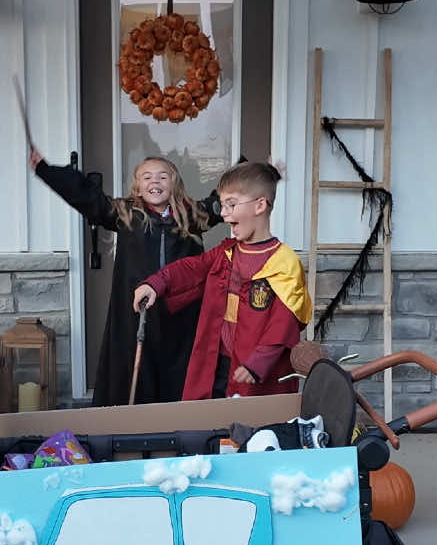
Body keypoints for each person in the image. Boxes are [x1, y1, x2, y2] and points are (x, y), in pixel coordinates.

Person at [30, 150, 220, 406]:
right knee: (137, 369)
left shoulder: (192, 215)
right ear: (138, 188)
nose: (155, 182)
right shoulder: (126, 214)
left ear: (175, 184)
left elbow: (229, 198)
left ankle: (178, 424)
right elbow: (87, 197)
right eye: (147, 177)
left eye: (163, 177)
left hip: (182, 315)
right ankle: (135, 425)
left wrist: (266, 173)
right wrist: (45, 169)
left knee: (180, 368)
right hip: (136, 311)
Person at [133, 161, 311, 400]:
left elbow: (283, 324)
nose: (224, 213)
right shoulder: (227, 253)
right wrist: (156, 282)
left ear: (260, 205)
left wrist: (257, 362)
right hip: (217, 363)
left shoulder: (284, 264)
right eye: (222, 205)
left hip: (255, 370)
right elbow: (192, 267)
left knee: (252, 429)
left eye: (232, 204)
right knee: (210, 424)